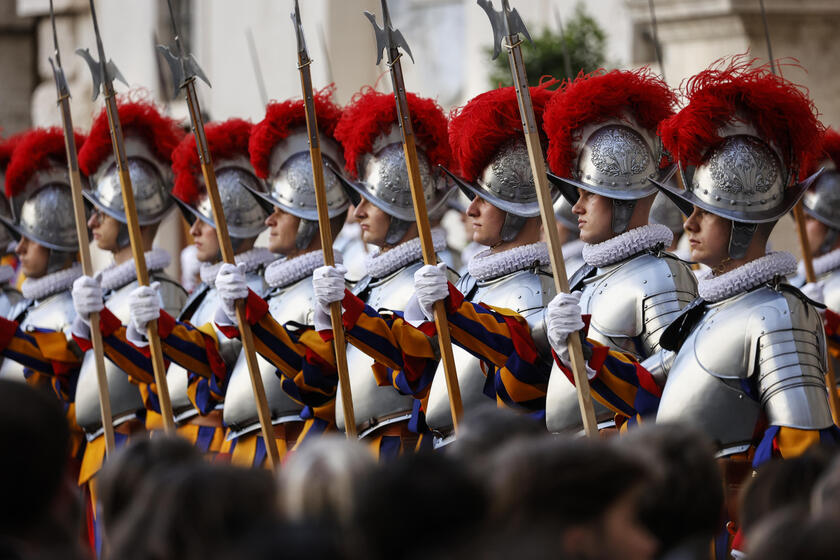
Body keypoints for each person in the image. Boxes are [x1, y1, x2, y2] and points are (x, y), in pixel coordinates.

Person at [546, 60, 837, 468]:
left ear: (741, 223)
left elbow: (804, 449)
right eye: (691, 208)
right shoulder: (706, 312)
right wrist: (579, 352)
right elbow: (649, 389)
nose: (689, 222)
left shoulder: (780, 313)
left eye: (706, 212)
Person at [218, 88, 453, 458]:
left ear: (401, 204)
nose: (356, 212)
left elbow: (417, 372)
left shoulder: (430, 284)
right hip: (350, 448)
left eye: (368, 202)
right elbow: (317, 381)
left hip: (405, 451)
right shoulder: (362, 289)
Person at [72, 118, 275, 459]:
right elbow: (155, 371)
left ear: (236, 221)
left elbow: (216, 361)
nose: (193, 229)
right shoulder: (202, 293)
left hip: (214, 444)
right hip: (171, 439)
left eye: (204, 219)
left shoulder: (255, 288)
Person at [541, 68, 698, 433]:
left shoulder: (659, 275)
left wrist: (593, 363)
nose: (576, 208)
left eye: (588, 194)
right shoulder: (585, 275)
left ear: (622, 201)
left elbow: (676, 374)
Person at [212, 91, 350, 464]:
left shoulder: (318, 294)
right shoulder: (280, 290)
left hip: (285, 445)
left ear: (307, 222)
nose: (268, 220)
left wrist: (249, 311)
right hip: (245, 445)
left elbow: (313, 373)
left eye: (281, 211)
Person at [71, 99, 186, 495]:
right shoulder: (108, 288)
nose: (92, 221)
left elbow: (159, 380)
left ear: (130, 216)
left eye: (103, 212)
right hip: (97, 452)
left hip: (132, 447)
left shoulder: (161, 291)